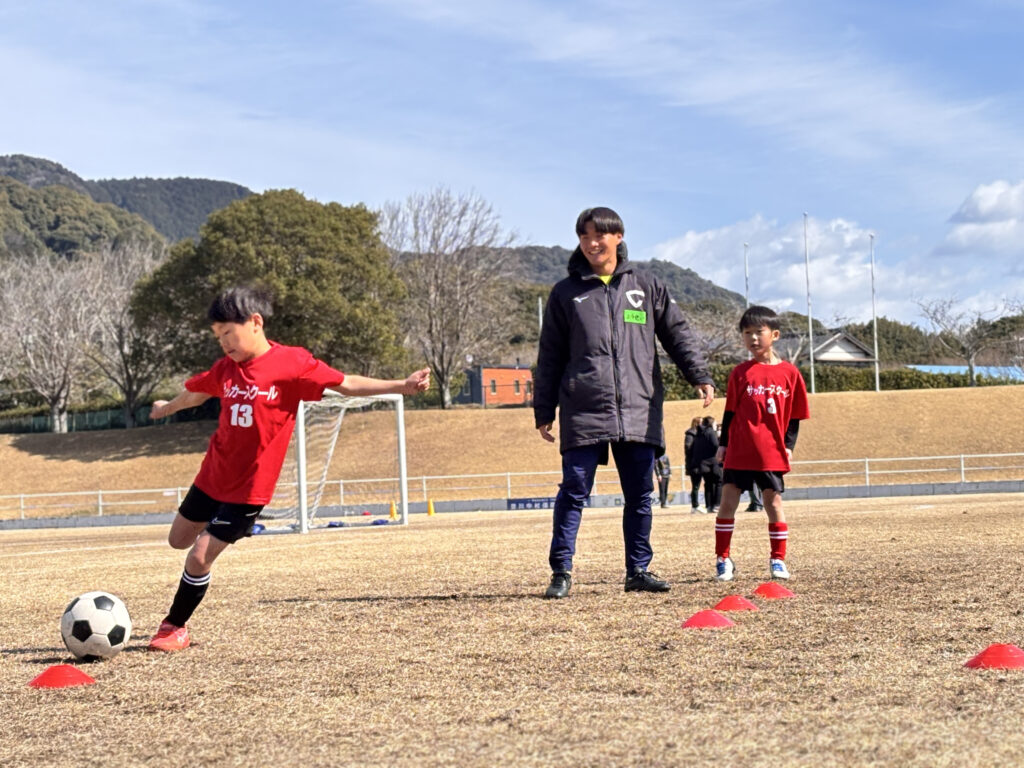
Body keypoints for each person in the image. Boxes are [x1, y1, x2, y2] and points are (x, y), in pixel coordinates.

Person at [146, 286, 430, 651]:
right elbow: (197, 393)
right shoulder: (225, 368)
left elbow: (345, 383)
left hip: (250, 489)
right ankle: (215, 537)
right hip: (212, 476)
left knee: (199, 555)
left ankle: (174, 627)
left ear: (255, 323)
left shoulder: (292, 364)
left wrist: (401, 385)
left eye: (228, 333)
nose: (224, 343)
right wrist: (167, 407)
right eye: (218, 337)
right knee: (178, 540)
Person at [534, 206, 714, 599]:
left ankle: (638, 569)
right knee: (574, 490)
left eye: (600, 235)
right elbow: (549, 355)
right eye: (585, 236)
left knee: (640, 494)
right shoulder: (567, 293)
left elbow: (677, 334)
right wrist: (544, 410)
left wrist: (698, 374)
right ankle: (561, 571)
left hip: (639, 406)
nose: (592, 243)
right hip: (583, 408)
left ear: (618, 236)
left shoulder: (645, 285)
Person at [713, 305, 809, 583]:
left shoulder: (790, 374)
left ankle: (778, 560)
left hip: (770, 450)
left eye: (759, 332)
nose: (753, 338)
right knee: (728, 501)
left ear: (775, 334)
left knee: (773, 502)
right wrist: (723, 444)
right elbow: (730, 412)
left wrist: (788, 445)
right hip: (740, 448)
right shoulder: (740, 373)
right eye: (747, 333)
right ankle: (723, 559)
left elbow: (795, 416)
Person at [690, 416, 722, 514]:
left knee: (708, 484)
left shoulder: (699, 434)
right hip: (713, 462)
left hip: (702, 464)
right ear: (711, 424)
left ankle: (709, 506)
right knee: (719, 482)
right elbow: (715, 445)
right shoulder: (711, 432)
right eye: (715, 424)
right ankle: (717, 505)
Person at [683, 417, 703, 513]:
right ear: (697, 423)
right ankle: (695, 506)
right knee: (695, 485)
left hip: (699, 463)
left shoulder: (697, 434)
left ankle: (696, 505)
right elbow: (688, 447)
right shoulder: (690, 434)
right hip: (693, 464)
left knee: (697, 485)